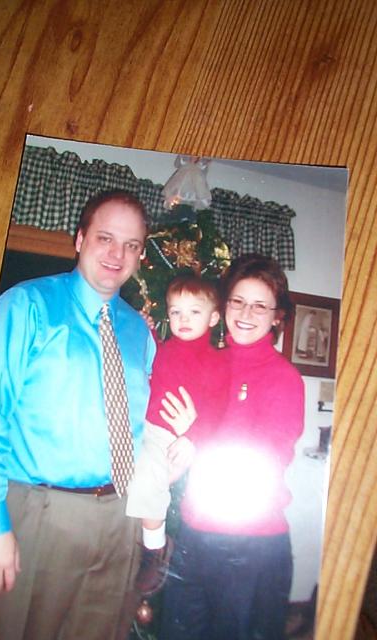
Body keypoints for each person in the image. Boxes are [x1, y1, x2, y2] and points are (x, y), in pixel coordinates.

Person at [0, 190, 156, 640]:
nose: (117, 254)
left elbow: (141, 426)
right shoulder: (26, 305)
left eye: (130, 245)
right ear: (80, 238)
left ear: (140, 254)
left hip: (119, 517)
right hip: (39, 513)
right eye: (105, 238)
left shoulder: (138, 331)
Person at [160, 254, 305, 640]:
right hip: (194, 532)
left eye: (260, 305)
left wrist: (195, 434)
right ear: (223, 307)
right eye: (238, 301)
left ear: (277, 317)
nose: (246, 313)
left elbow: (264, 462)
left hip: (252, 546)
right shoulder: (207, 361)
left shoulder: (284, 379)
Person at [126, 274, 223, 595]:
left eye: (194, 312)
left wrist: (193, 437)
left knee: (150, 475)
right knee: (132, 477)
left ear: (214, 317)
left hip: (174, 436)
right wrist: (145, 327)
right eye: (176, 311)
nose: (183, 319)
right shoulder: (166, 347)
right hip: (146, 427)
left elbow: (216, 409)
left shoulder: (216, 361)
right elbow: (150, 355)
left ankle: (155, 549)